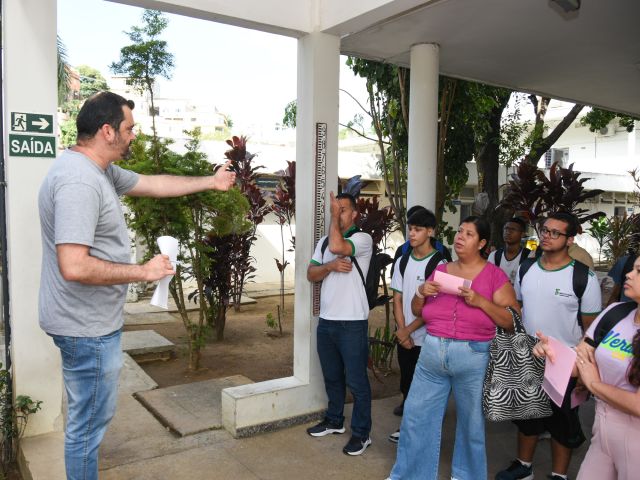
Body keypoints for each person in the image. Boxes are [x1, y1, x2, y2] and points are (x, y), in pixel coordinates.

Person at [38, 91, 236, 480]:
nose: (134, 136)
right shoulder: (79, 181)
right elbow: (74, 265)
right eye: (129, 128)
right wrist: (143, 272)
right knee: (87, 429)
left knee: (90, 422)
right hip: (85, 327)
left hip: (86, 322)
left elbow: (154, 183)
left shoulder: (99, 171)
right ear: (107, 130)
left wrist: (211, 182)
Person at [387, 216, 518, 480]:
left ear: (482, 243)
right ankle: (410, 475)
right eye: (459, 231)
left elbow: (511, 321)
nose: (460, 237)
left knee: (471, 426)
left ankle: (467, 475)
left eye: (469, 234)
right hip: (433, 353)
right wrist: (421, 292)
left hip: (473, 357)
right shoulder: (442, 269)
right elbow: (417, 310)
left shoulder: (494, 276)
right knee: (415, 418)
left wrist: (481, 301)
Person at [496, 212, 602, 480]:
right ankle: (524, 467)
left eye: (555, 232)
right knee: (527, 419)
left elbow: (591, 330)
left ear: (570, 239)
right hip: (528, 359)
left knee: (562, 425)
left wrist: (583, 369)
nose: (547, 235)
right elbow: (518, 308)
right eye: (544, 230)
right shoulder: (526, 269)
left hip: (564, 364)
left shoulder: (583, 277)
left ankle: (559, 475)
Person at [533, 254, 640, 480]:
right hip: (602, 428)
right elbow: (579, 362)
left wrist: (593, 384)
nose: (628, 274)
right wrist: (553, 353)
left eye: (639, 271)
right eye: (633, 269)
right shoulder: (616, 313)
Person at [306, 191, 373, 456]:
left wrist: (333, 220)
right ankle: (334, 421)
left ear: (355, 214)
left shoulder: (362, 239)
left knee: (357, 382)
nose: (339, 213)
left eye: (343, 209)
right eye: (336, 209)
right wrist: (330, 267)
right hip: (327, 322)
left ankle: (361, 433)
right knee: (332, 377)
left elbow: (339, 247)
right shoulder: (323, 243)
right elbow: (311, 273)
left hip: (353, 323)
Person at [387, 208, 446, 443]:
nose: (412, 233)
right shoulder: (402, 260)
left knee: (428, 388)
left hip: (429, 338)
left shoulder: (440, 264)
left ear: (430, 232)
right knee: (407, 382)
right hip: (406, 337)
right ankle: (409, 428)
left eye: (418, 229)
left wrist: (407, 331)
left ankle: (424, 431)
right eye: (410, 229)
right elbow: (398, 298)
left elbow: (435, 308)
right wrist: (402, 331)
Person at [488, 217, 531, 284]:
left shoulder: (529, 256)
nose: (508, 232)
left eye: (513, 229)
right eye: (506, 229)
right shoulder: (494, 255)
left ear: (522, 234)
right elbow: (489, 281)